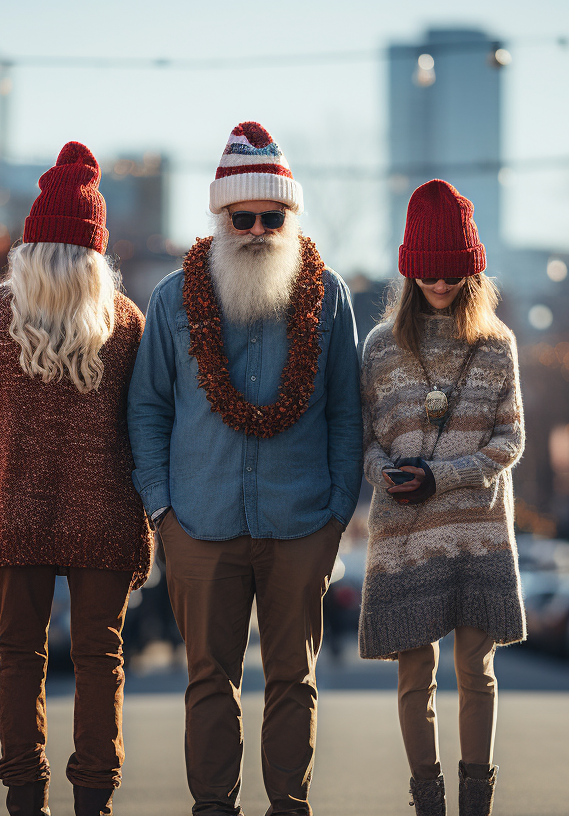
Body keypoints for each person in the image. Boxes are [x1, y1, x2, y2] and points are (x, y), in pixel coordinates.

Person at [127, 121, 362, 816]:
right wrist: (162, 512)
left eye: (273, 216)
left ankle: (289, 805)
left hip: (303, 524)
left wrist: (338, 514)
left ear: (291, 216)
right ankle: (212, 808)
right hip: (198, 523)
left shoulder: (330, 299)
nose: (258, 229)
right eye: (243, 216)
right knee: (209, 681)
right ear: (220, 217)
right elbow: (147, 410)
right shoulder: (173, 299)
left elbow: (348, 413)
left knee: (294, 679)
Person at [0, 142, 152, 816]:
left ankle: (25, 798)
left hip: (15, 513)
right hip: (106, 516)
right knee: (100, 657)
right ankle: (94, 799)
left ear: (28, 248)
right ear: (98, 255)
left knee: (18, 655)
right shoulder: (124, 323)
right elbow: (146, 427)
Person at [357, 179, 527, 816]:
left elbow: (510, 439)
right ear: (409, 269)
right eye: (428, 271)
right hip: (404, 533)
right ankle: (427, 800)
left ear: (471, 268)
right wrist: (388, 474)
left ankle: (475, 803)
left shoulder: (496, 345)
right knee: (413, 676)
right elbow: (364, 442)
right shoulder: (379, 349)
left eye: (453, 271)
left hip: (478, 530)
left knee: (476, 673)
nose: (440, 282)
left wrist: (444, 476)